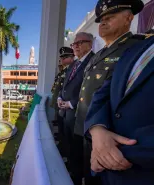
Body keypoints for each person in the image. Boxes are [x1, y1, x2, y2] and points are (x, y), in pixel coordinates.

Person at [74, 0, 147, 184]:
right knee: (86, 175)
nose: (103, 22)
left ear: (129, 18)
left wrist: (98, 127)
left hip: (109, 135)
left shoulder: (136, 48)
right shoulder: (97, 55)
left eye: (110, 17)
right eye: (101, 19)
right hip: (88, 128)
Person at [85, 34, 154, 184]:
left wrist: (107, 153)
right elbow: (103, 93)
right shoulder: (135, 49)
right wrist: (97, 129)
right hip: (109, 173)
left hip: (141, 171)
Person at [58, 32, 95, 185]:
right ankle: (71, 175)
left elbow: (92, 89)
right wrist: (60, 97)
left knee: (80, 153)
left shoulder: (94, 61)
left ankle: (77, 178)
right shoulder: (74, 64)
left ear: (90, 44)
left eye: (81, 42)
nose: (76, 46)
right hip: (67, 115)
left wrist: (71, 103)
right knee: (71, 149)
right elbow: (64, 86)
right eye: (75, 43)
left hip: (80, 115)